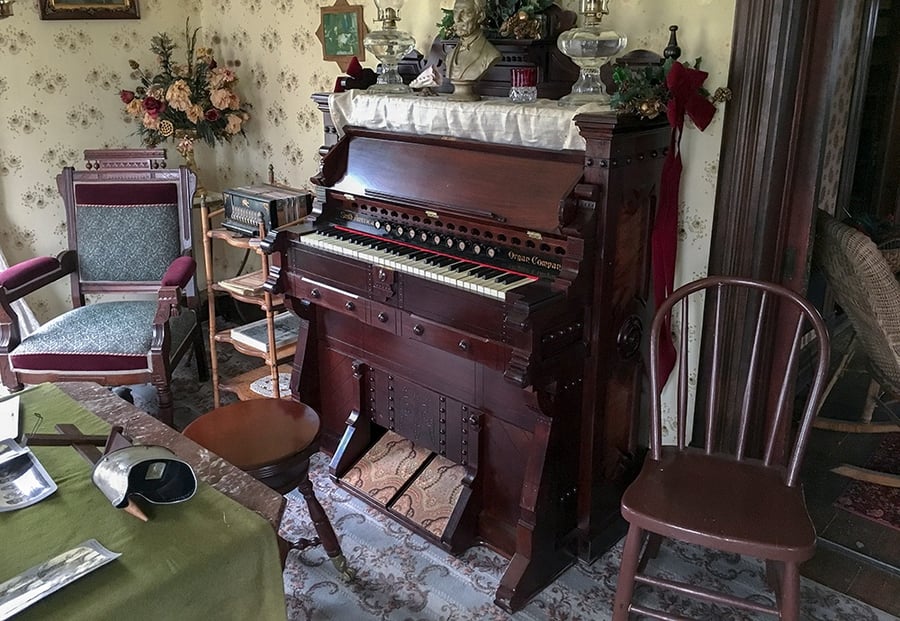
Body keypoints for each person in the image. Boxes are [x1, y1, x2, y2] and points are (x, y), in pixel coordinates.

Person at [446, 0, 501, 87]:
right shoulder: (449, 56)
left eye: (466, 13)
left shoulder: (491, 54)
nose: (457, 19)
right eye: (455, 12)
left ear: (480, 16)